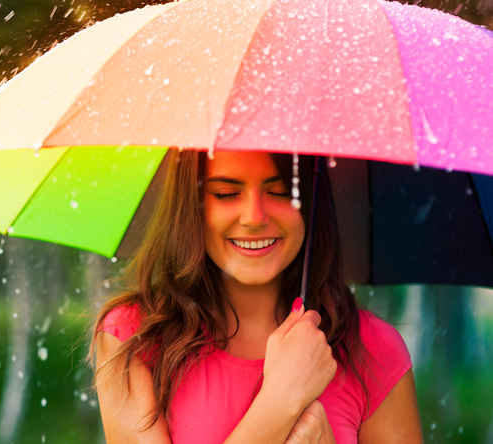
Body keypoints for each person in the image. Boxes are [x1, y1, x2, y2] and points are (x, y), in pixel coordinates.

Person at [90, 150, 422, 443]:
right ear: (192, 203)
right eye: (226, 193)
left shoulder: (375, 351)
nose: (254, 217)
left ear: (310, 200)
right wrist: (280, 401)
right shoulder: (133, 337)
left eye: (279, 192)